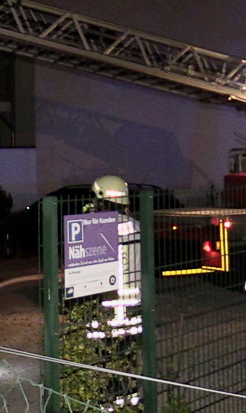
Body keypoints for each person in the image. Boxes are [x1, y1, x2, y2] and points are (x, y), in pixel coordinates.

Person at [79, 175, 142, 409]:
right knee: (128, 360)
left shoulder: (97, 228)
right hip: (133, 307)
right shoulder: (136, 226)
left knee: (104, 361)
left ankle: (106, 404)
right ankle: (130, 402)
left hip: (106, 307)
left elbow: (86, 271)